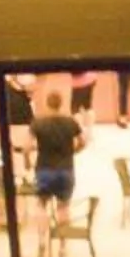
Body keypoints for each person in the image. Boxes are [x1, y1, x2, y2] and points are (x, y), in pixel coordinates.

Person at [28, 90, 83, 219]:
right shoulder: (70, 122)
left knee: (41, 205)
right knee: (63, 207)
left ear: (47, 104)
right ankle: (62, 238)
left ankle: (42, 238)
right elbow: (83, 141)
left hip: (44, 169)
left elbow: (27, 146)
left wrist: (27, 160)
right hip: (66, 169)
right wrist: (74, 151)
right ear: (61, 104)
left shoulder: (38, 123)